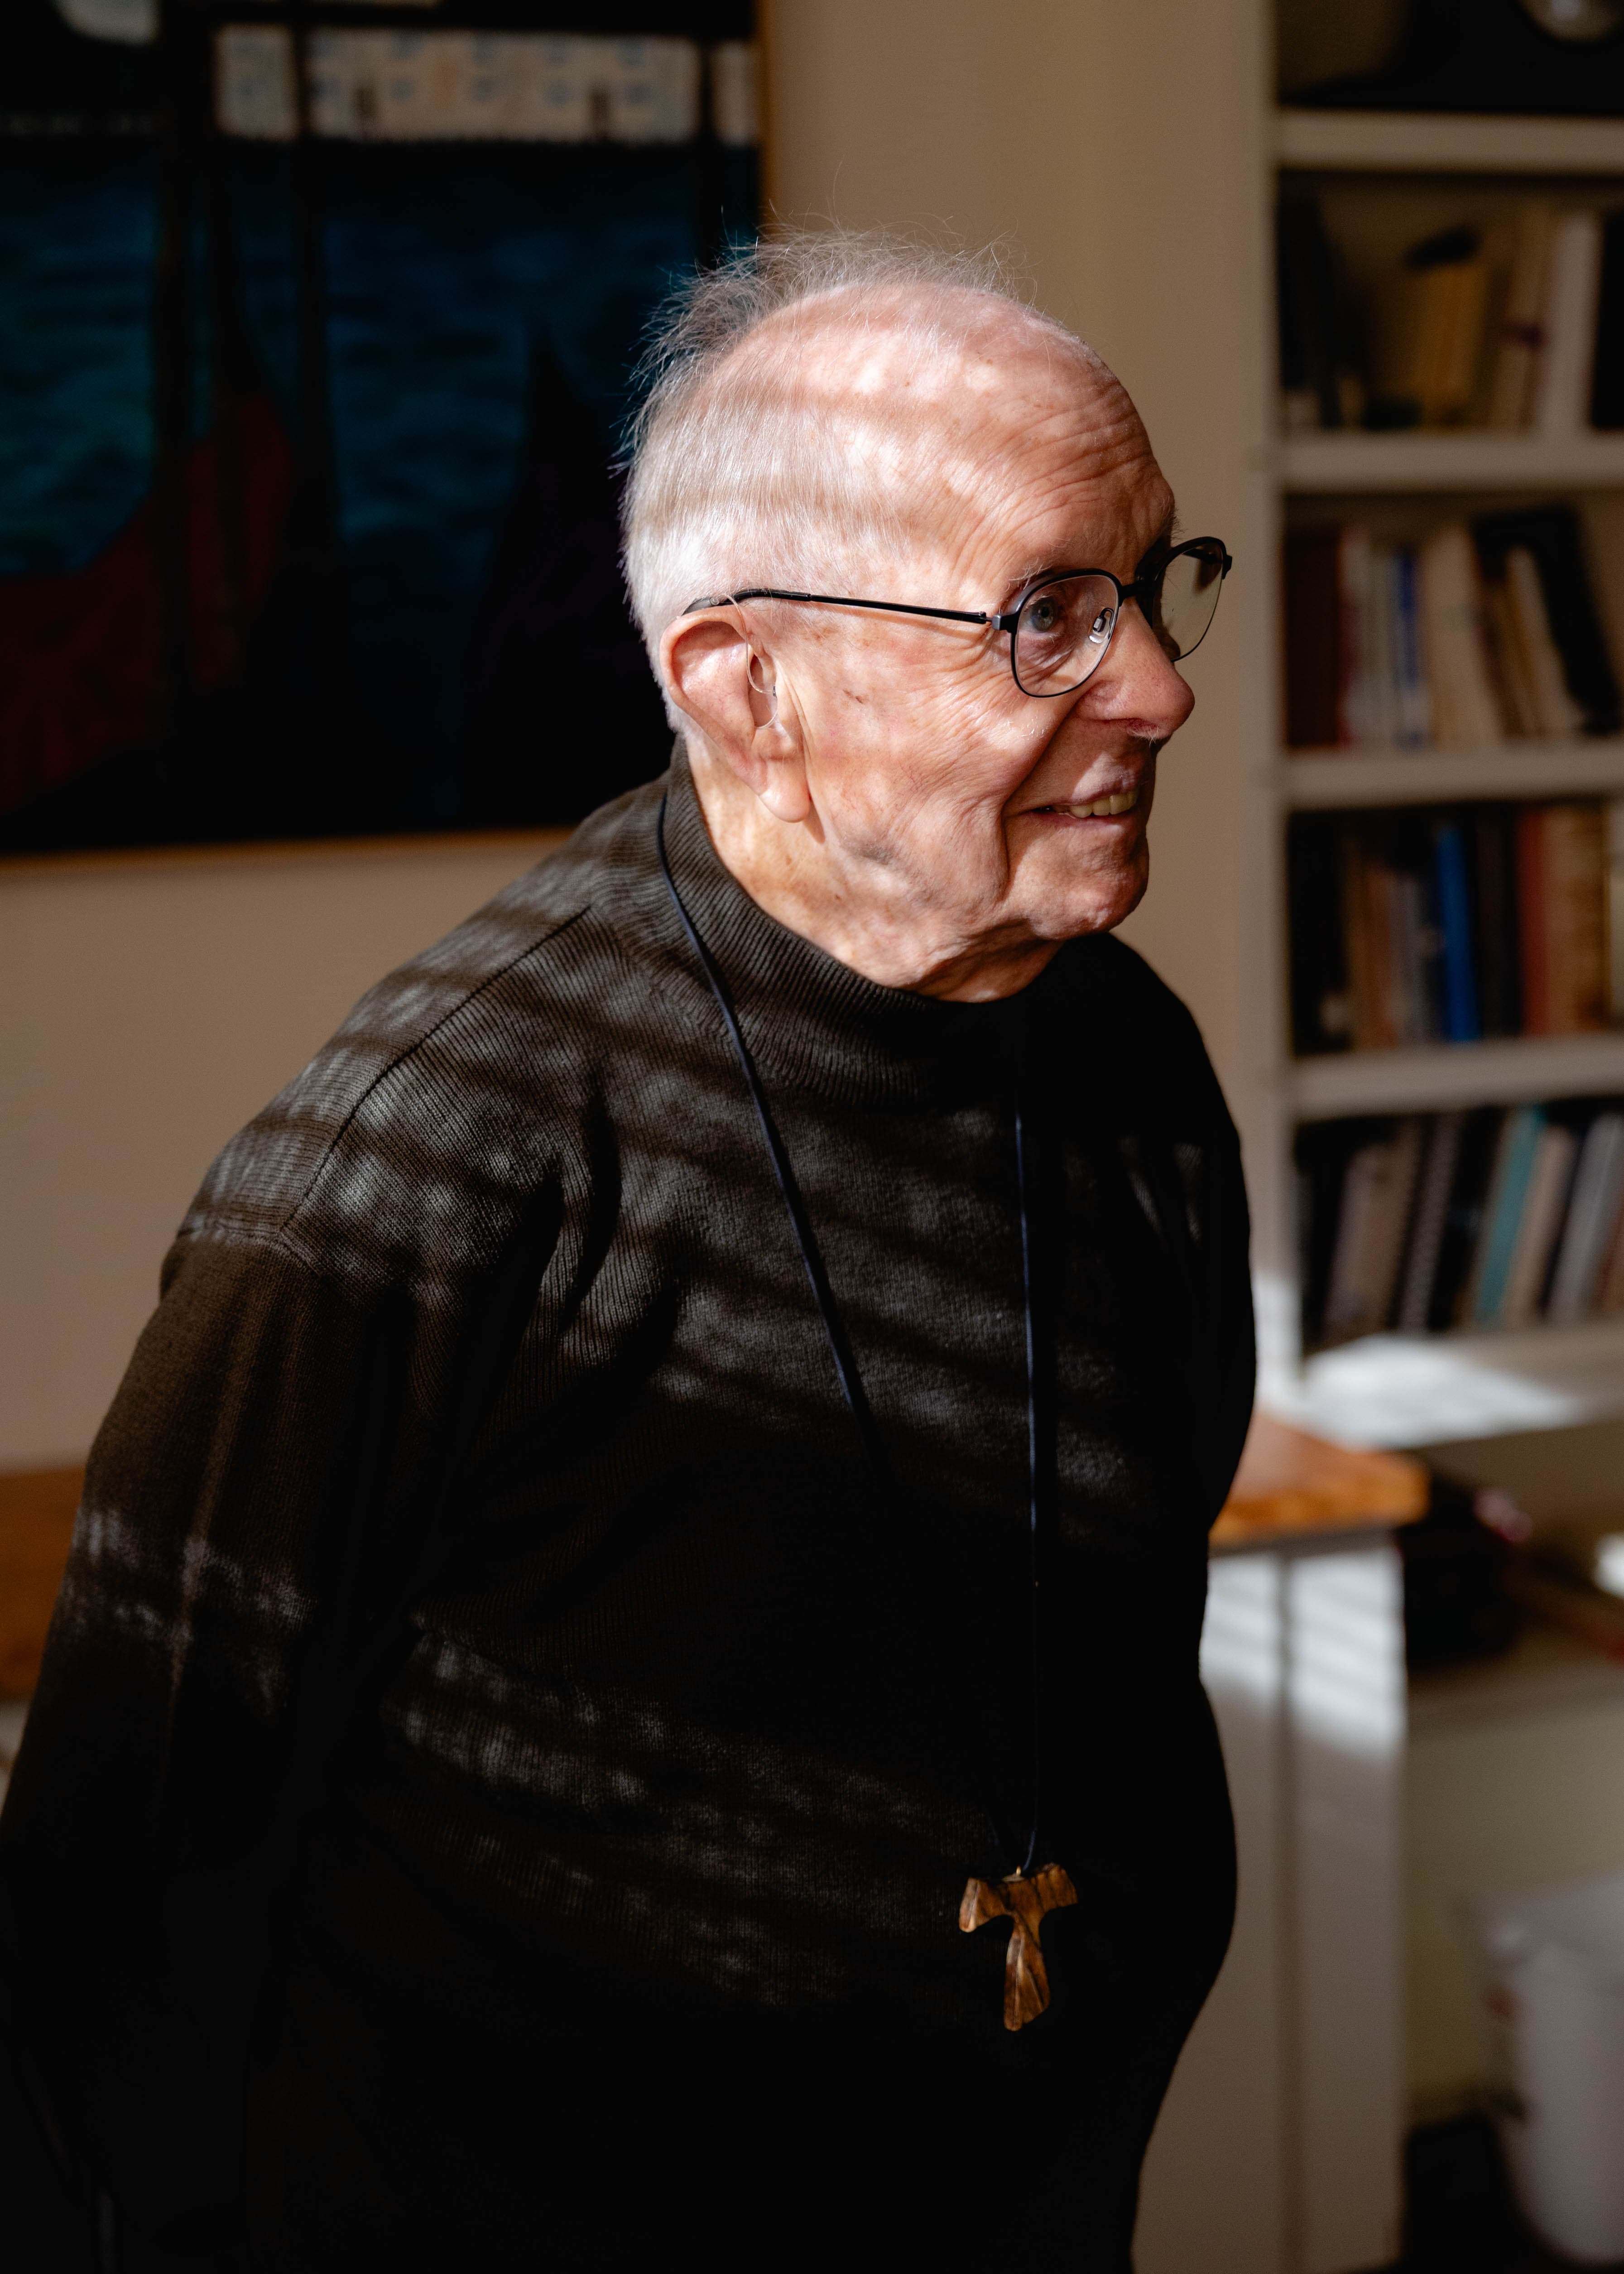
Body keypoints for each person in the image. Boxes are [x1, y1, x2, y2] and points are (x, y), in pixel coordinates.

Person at [0, 235, 1253, 2270]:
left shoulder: (1131, 1061)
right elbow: (113, 1888)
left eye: (1149, 584)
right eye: (1047, 615)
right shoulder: (417, 1156)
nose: (1162, 685)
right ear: (745, 687)